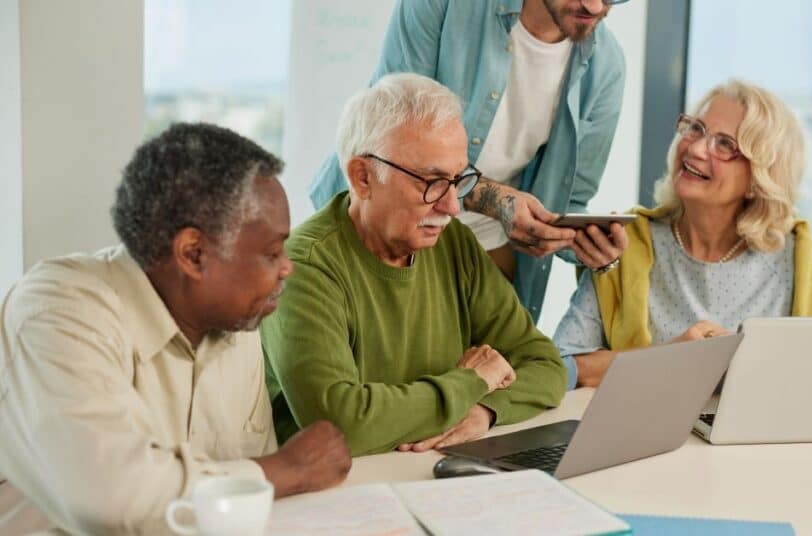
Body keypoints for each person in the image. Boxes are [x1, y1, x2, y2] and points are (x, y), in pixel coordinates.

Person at [0, 123, 352, 535]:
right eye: (272, 253)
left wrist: (272, 478)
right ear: (193, 254)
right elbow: (110, 497)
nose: (287, 268)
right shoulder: (58, 307)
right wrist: (287, 469)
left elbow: (249, 499)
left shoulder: (237, 322)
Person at [261, 73, 566, 457]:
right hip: (335, 491)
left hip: (435, 474)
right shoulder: (304, 266)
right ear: (363, 177)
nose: (452, 206)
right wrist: (471, 381)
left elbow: (545, 365)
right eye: (433, 181)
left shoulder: (454, 243)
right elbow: (339, 426)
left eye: (458, 180)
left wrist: (485, 410)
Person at [308, 0, 629, 320]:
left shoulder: (606, 66)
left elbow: (571, 200)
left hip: (486, 252)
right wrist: (498, 202)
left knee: (515, 364)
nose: (594, 5)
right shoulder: (440, 6)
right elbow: (390, 150)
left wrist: (586, 245)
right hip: (386, 234)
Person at [553, 79, 812, 390]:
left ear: (760, 177)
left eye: (725, 144)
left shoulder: (798, 265)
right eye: (696, 129)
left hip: (753, 439)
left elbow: (807, 385)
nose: (697, 148)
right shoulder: (628, 244)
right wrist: (670, 359)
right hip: (644, 435)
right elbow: (560, 366)